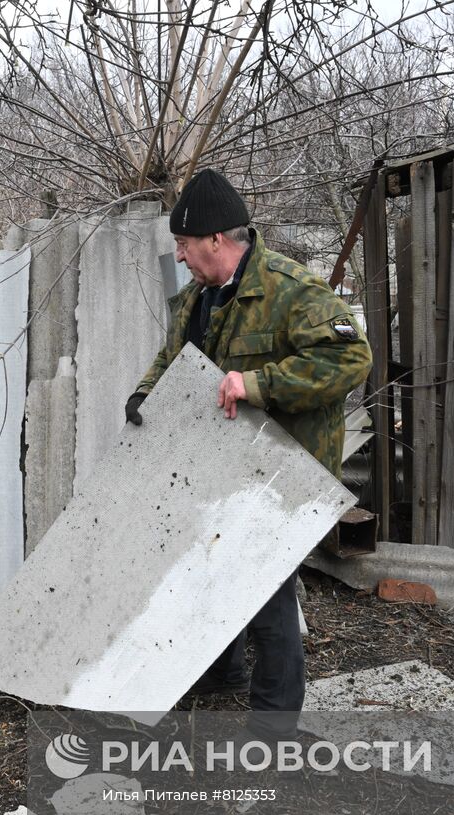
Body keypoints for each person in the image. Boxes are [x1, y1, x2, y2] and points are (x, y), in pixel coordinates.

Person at [126, 168, 372, 733]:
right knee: (209, 568)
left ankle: (275, 723)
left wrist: (256, 385)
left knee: (266, 594)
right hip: (219, 463)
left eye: (185, 245)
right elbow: (173, 360)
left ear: (216, 239)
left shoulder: (293, 290)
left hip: (286, 469)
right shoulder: (196, 299)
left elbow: (350, 361)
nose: (181, 257)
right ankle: (222, 672)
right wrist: (144, 394)